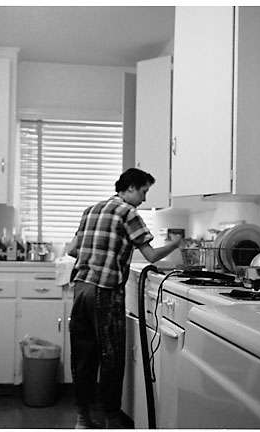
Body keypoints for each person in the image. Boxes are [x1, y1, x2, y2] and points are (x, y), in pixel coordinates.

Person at [67, 168, 183, 429]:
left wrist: (96, 258)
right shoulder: (129, 213)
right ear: (130, 187)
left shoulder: (91, 210)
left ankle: (82, 419)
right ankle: (111, 419)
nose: (143, 199)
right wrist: (176, 244)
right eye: (143, 191)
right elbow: (152, 256)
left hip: (81, 288)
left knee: (83, 357)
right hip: (104, 292)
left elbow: (73, 249)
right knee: (112, 356)